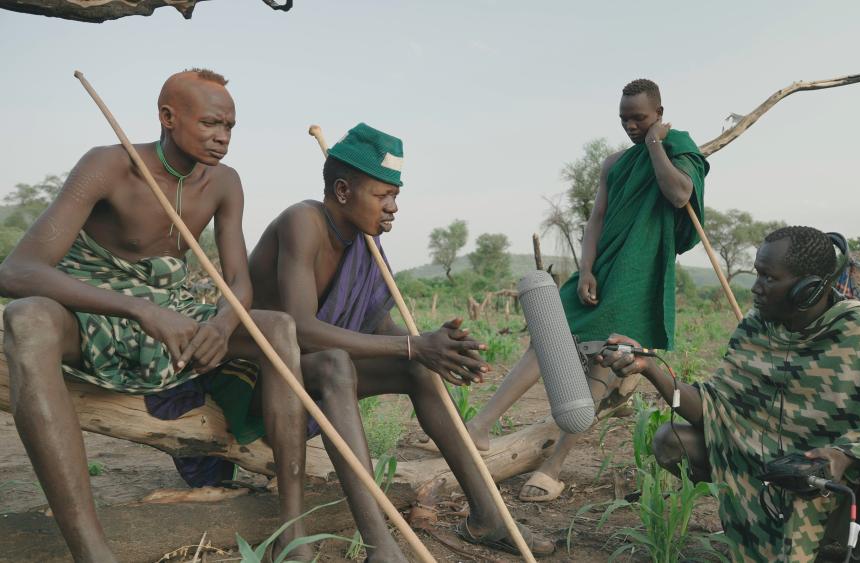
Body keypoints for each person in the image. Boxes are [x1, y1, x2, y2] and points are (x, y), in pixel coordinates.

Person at [0, 69, 313, 561]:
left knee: (277, 328)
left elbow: (239, 281)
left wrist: (222, 324)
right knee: (28, 319)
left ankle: (293, 536)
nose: (222, 137)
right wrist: (139, 308)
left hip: (172, 309)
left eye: (230, 127)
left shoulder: (225, 183)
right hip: (95, 309)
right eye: (211, 123)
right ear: (168, 117)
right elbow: (16, 270)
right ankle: (92, 551)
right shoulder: (107, 165)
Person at [247, 123, 554, 560]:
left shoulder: (365, 243)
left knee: (416, 367)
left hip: (309, 369)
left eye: (396, 197)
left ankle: (487, 516)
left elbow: (378, 325)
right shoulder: (304, 222)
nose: (392, 208)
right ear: (341, 190)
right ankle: (380, 544)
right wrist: (413, 345)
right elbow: (299, 328)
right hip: (257, 378)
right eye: (382, 196)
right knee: (339, 363)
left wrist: (434, 348)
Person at [598, 226, 860, 562]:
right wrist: (650, 368)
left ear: (810, 288)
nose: (756, 287)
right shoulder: (757, 327)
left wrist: (845, 455)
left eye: (769, 277)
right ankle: (770, 528)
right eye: (757, 273)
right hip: (772, 467)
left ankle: (855, 547)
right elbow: (715, 408)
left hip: (848, 483)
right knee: (671, 440)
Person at [463, 78, 709, 502]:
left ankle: (554, 465)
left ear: (660, 115)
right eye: (624, 119)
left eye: (640, 118)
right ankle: (479, 427)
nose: (631, 126)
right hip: (603, 267)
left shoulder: (678, 151)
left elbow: (679, 193)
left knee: (604, 366)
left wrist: (655, 145)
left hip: (640, 275)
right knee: (548, 337)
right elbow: (596, 219)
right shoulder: (614, 164)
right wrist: (588, 269)